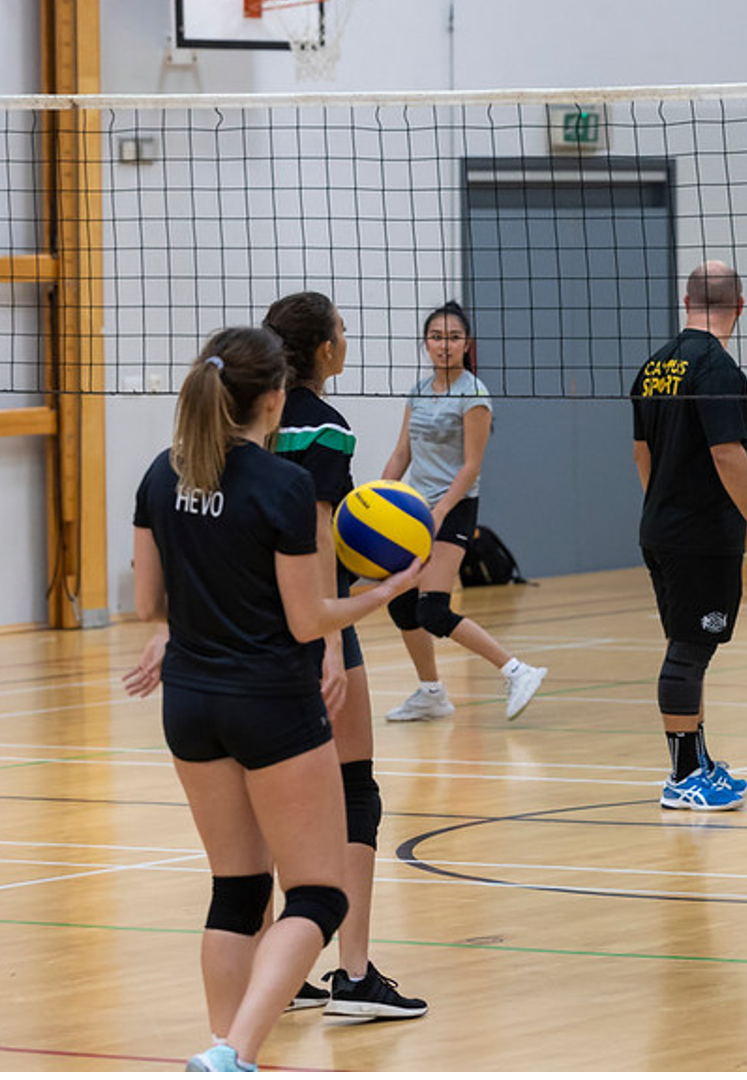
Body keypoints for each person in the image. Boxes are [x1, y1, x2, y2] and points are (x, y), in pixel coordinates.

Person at [122, 328, 423, 1072]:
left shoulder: (161, 475)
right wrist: (383, 591)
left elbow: (146, 604)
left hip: (189, 702)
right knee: (318, 897)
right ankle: (230, 1051)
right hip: (271, 704)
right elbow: (306, 620)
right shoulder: (282, 487)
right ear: (276, 399)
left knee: (236, 889)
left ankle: (227, 1054)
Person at [262, 292, 426, 1020]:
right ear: (326, 351)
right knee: (355, 786)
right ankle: (352, 975)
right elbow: (323, 529)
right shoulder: (323, 425)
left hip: (247, 623)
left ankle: (285, 963)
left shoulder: (243, 417)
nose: (348, 341)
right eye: (344, 333)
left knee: (277, 796)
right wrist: (331, 637)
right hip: (315, 617)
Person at [630, 260, 747, 811]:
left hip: (662, 527)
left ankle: (697, 761)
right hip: (700, 535)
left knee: (688, 643)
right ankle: (680, 777)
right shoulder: (718, 370)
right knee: (689, 651)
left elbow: (641, 453)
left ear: (685, 301)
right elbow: (728, 453)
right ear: (740, 307)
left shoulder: (654, 367)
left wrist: (663, 504)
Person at [380, 300, 547, 721]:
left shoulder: (474, 394)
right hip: (415, 508)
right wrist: (378, 498)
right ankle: (431, 693)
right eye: (436, 337)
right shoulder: (418, 391)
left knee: (432, 609)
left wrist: (440, 512)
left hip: (454, 508)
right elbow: (402, 453)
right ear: (426, 343)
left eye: (453, 337)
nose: (444, 345)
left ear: (466, 344)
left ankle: (516, 670)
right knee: (401, 605)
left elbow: (471, 465)